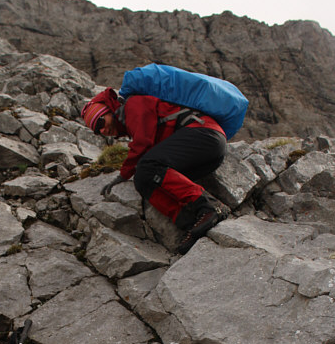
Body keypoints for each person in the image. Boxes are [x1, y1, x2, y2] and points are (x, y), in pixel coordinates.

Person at [81, 88, 227, 253]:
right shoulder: (128, 122)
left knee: (147, 166)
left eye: (100, 122)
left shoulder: (133, 105)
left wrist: (123, 174)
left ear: (109, 111)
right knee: (144, 180)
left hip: (204, 134)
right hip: (205, 148)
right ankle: (190, 223)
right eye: (96, 131)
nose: (102, 131)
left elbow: (143, 142)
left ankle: (209, 206)